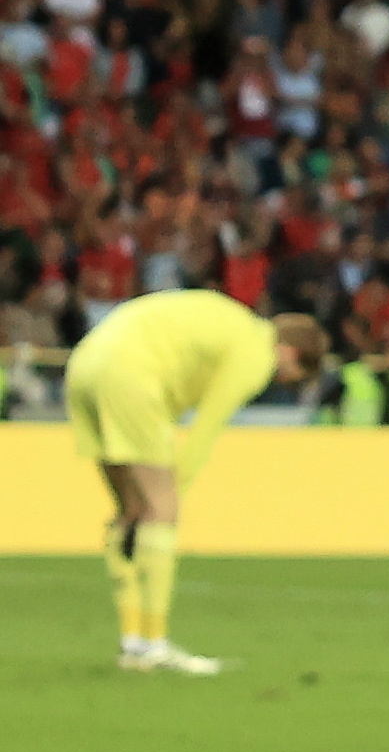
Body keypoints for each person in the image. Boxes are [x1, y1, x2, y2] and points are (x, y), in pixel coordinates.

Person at [63, 288, 325, 674]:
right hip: (129, 373)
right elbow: (206, 428)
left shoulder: (230, 322)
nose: (280, 379)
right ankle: (153, 643)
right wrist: (172, 493)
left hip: (84, 365)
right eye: (291, 373)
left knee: (130, 510)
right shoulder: (255, 351)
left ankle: (132, 642)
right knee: (158, 509)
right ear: (289, 352)